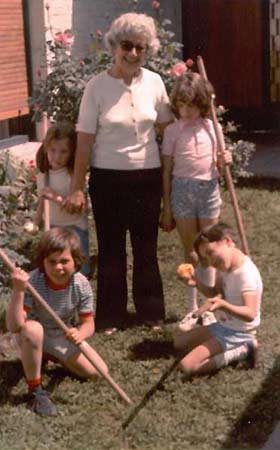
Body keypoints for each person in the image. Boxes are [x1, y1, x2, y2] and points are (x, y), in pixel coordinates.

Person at [63, 13, 174, 333]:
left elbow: (168, 132)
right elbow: (84, 142)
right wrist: (76, 187)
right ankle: (111, 316)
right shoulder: (96, 87)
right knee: (111, 248)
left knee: (145, 247)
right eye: (127, 46)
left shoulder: (155, 82)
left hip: (147, 177)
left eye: (141, 48)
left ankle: (151, 313)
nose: (134, 54)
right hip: (107, 179)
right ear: (114, 46)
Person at [6, 227, 109, 417]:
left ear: (76, 260)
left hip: (61, 335)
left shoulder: (81, 284)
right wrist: (18, 290)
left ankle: (49, 355)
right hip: (31, 334)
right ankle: (35, 390)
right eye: (51, 262)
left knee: (98, 372)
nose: (58, 268)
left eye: (64, 261)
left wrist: (80, 334)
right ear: (43, 262)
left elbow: (89, 324)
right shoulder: (33, 281)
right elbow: (14, 326)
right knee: (33, 330)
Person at [161, 72, 232, 330]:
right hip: (182, 190)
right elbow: (167, 170)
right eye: (182, 105)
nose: (187, 111)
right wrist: (167, 206)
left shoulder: (213, 128)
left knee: (209, 249)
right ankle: (191, 308)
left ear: (203, 104)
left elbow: (221, 164)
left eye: (192, 105)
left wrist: (225, 160)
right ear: (176, 105)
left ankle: (210, 305)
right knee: (191, 250)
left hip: (208, 189)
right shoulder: (172, 131)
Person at [173, 223, 262, 376]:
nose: (211, 262)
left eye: (210, 252)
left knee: (186, 366)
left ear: (227, 241)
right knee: (178, 343)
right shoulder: (224, 268)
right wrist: (196, 283)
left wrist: (223, 305)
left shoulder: (245, 275)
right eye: (206, 258)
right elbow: (216, 293)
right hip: (222, 326)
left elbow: (250, 314)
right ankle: (221, 345)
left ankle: (243, 349)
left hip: (238, 333)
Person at [35, 122, 91, 277]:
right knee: (56, 270)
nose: (57, 156)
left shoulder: (73, 175)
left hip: (75, 228)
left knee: (79, 271)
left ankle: (79, 297)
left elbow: (78, 207)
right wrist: (36, 221)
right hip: (53, 227)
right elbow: (43, 199)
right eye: (52, 150)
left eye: (63, 152)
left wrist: (55, 197)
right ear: (45, 148)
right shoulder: (44, 174)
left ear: (72, 153)